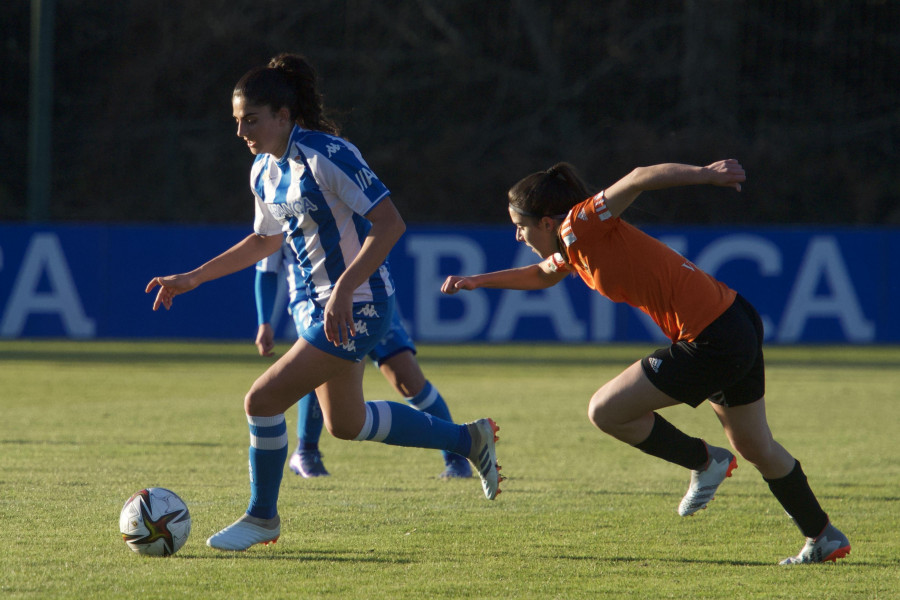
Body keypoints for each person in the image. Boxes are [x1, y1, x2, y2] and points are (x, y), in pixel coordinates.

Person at [146, 53, 501, 552]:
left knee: (262, 400)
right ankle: (468, 440)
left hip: (361, 304)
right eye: (237, 121)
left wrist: (342, 288)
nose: (241, 130)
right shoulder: (263, 171)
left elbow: (391, 223)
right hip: (320, 307)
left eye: (251, 119)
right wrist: (193, 278)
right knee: (346, 424)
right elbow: (263, 241)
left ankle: (262, 517)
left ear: (283, 116)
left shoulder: (327, 154)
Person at [440, 159, 850, 565]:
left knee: (606, 410)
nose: (518, 235)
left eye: (521, 225)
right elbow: (544, 275)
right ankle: (823, 536)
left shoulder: (578, 224)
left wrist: (705, 175)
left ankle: (706, 461)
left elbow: (638, 178)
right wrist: (478, 281)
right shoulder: (573, 245)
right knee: (756, 446)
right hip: (733, 319)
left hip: (713, 337)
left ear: (547, 222)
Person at [254, 241, 472, 479]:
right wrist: (264, 321)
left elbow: (384, 227)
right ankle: (307, 451)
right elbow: (265, 266)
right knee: (315, 368)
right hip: (314, 303)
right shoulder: (275, 205)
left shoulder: (348, 203)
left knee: (406, 375)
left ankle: (457, 456)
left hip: (370, 297)